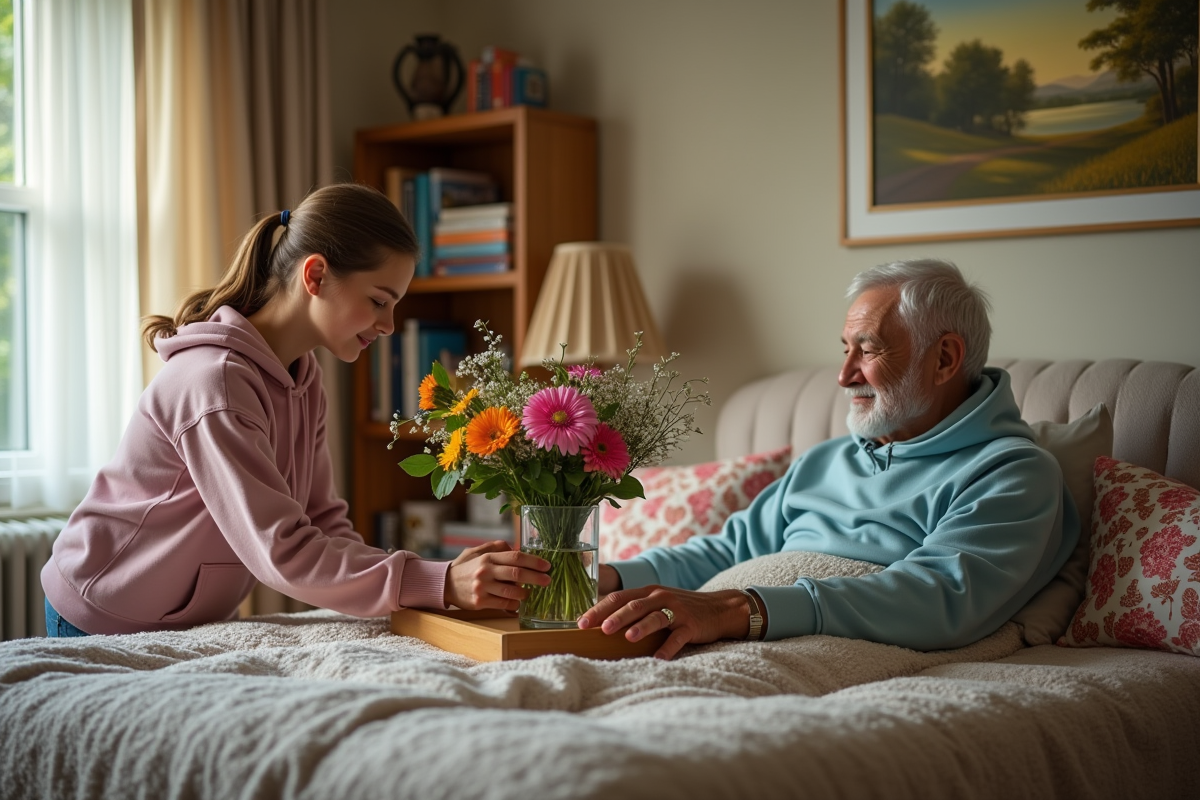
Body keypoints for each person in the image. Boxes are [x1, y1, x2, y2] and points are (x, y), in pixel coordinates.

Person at [41, 183, 549, 637]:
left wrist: (423, 593)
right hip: (102, 612)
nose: (391, 325)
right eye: (379, 300)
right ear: (316, 275)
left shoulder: (303, 378)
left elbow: (323, 522)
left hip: (186, 622)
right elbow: (281, 550)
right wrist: (437, 581)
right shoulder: (214, 382)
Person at [580, 258, 1079, 660]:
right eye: (845, 349)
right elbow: (726, 552)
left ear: (945, 358)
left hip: (814, 648)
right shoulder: (826, 461)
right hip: (729, 633)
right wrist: (599, 578)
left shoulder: (1013, 473)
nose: (843, 376)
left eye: (868, 350)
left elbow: (937, 597)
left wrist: (738, 609)